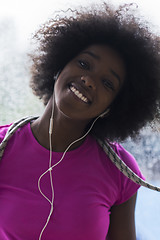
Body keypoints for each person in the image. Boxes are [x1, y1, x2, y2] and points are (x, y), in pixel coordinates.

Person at [0, 2, 160, 240]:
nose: (89, 80)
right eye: (84, 64)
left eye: (107, 83)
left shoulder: (120, 170)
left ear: (113, 106)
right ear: (59, 64)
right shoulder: (3, 146)